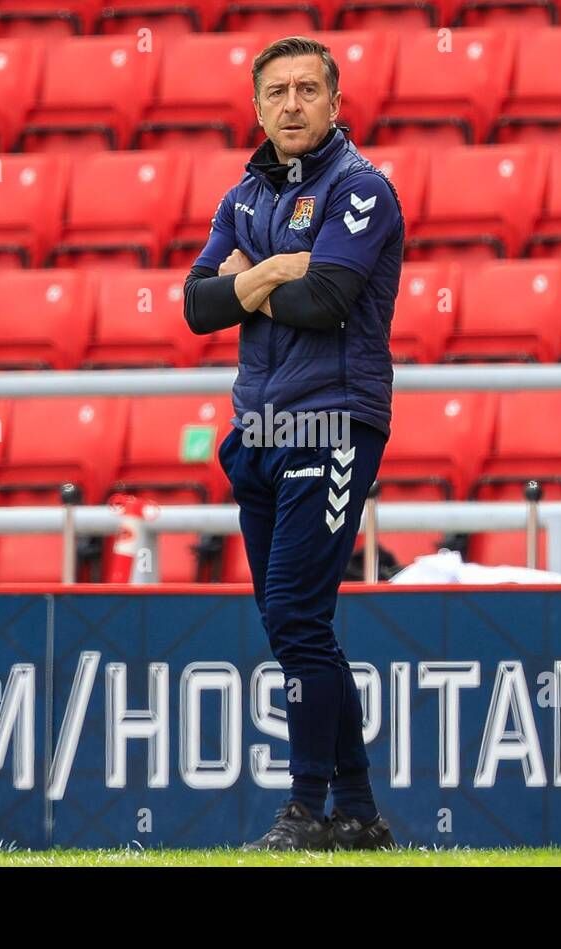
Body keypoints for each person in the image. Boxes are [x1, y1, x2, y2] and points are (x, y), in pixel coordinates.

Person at [181, 35, 404, 851]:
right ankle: (357, 812)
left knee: (297, 619)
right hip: (258, 430)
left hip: (333, 420)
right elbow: (197, 306)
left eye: (309, 89)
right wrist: (275, 273)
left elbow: (328, 300)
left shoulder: (362, 190)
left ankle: (308, 809)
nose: (292, 104)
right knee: (292, 624)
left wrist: (250, 281)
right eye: (277, 91)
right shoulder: (242, 194)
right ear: (257, 106)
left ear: (335, 103)